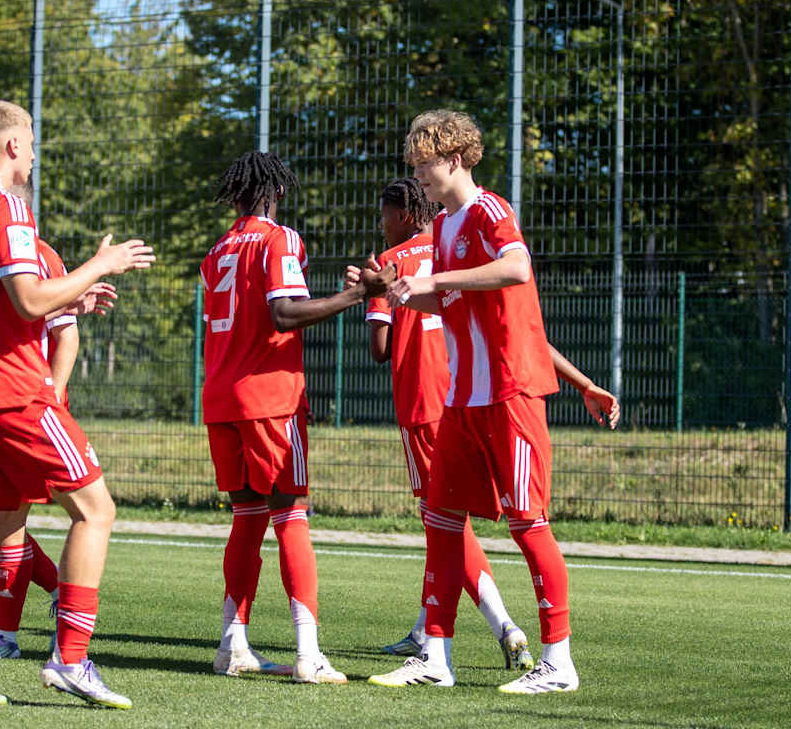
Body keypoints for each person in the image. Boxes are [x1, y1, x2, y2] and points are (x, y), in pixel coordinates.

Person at [369, 110, 618, 694]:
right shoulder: (449, 228)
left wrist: (429, 283)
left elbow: (516, 269)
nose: (418, 175)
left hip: (510, 394)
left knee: (528, 524)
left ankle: (558, 661)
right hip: (464, 400)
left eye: (424, 164)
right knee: (441, 518)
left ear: (454, 159)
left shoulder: (490, 210)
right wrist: (401, 294)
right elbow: (453, 304)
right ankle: (436, 655)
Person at [0, 100, 154, 708]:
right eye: (31, 142)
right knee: (96, 511)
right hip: (13, 392)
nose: (34, 153)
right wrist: (101, 263)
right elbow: (26, 301)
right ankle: (71, 659)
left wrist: (68, 304)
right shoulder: (7, 209)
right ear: (14, 146)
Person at [202, 150, 391, 685]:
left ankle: (232, 645)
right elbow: (284, 311)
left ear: (235, 194)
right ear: (276, 192)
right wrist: (359, 293)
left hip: (221, 397)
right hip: (269, 399)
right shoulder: (278, 238)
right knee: (291, 517)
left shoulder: (217, 250)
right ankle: (309, 653)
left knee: (246, 519)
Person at [365, 177, 534, 670]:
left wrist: (370, 298)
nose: (382, 221)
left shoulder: (390, 262)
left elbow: (379, 350)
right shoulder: (449, 244)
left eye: (384, 213)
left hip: (421, 401)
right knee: (447, 518)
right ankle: (424, 629)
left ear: (401, 214)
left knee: (444, 522)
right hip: (466, 392)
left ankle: (505, 625)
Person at [0, 237, 115, 661]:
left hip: (30, 405)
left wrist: (49, 397)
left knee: (9, 520)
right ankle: (56, 590)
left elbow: (65, 335)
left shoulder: (37, 251)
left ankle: (7, 637)